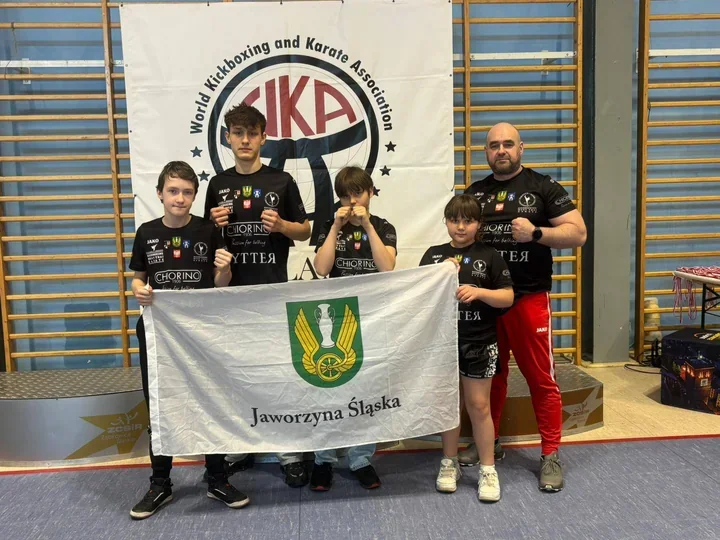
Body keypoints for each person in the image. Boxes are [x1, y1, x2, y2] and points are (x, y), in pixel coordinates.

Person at [461, 122, 587, 492]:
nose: (500, 150)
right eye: (493, 145)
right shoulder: (476, 192)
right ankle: (490, 441)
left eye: (508, 144)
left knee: (540, 378)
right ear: (486, 152)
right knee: (490, 374)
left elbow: (578, 233)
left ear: (521, 148)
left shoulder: (543, 187)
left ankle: (550, 453)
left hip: (528, 299)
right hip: (487, 302)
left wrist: (536, 233)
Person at [129, 161, 248, 519]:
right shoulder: (146, 232)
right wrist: (139, 290)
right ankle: (160, 483)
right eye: (173, 191)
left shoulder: (209, 231)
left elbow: (221, 284)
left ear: (195, 196)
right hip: (159, 333)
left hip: (201, 333)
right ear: (160, 194)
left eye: (187, 192)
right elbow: (137, 278)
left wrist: (224, 268)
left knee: (210, 400)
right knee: (159, 404)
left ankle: (217, 478)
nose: (179, 198)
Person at [204, 103, 312, 488]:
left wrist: (282, 225)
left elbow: (306, 231)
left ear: (264, 137)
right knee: (236, 374)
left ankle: (289, 452)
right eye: (238, 133)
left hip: (271, 292)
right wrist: (211, 223)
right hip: (231, 295)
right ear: (228, 138)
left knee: (280, 374)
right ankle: (240, 446)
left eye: (252, 133)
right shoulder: (217, 184)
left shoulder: (281, 180)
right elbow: (206, 240)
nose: (245, 140)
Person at [420, 194, 513, 502]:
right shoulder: (434, 255)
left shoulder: (490, 255)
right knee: (449, 405)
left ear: (479, 224)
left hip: (479, 341)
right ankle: (449, 463)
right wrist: (438, 275)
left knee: (479, 405)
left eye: (468, 221)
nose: (460, 227)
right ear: (446, 222)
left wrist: (480, 292)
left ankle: (488, 469)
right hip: (443, 343)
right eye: (454, 220)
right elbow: (420, 297)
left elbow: (508, 297)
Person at [309, 166, 397, 491]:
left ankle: (360, 458)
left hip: (372, 316)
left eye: (358, 193)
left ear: (370, 192)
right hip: (337, 317)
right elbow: (321, 268)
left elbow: (387, 267)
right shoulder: (329, 226)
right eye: (345, 195)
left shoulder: (383, 227)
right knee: (329, 389)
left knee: (367, 391)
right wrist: (335, 226)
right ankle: (323, 459)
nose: (352, 200)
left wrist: (368, 225)